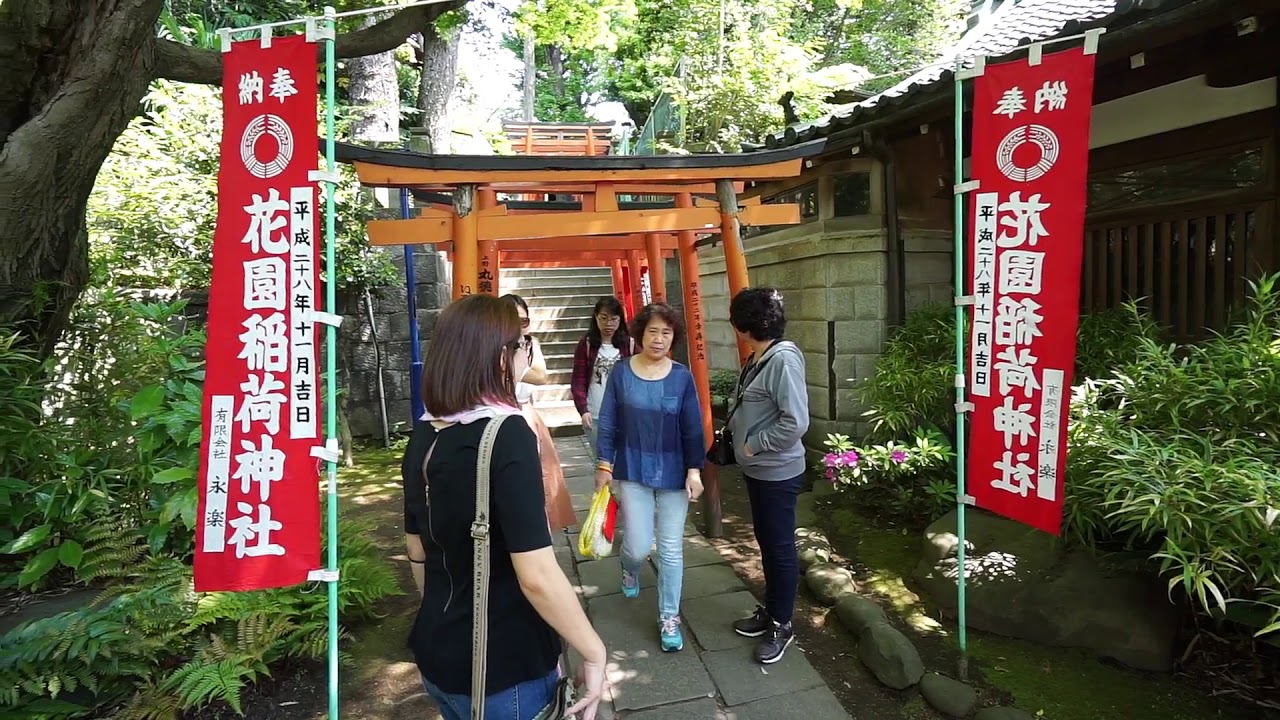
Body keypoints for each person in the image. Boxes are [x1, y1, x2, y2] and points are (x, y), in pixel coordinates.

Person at [401, 294, 606, 720]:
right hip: (505, 665)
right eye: (521, 345)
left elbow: (417, 549)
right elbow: (536, 575)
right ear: (500, 357)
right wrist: (593, 650)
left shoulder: (424, 432)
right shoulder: (506, 433)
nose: (525, 353)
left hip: (437, 652)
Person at [593, 302, 705, 653]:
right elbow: (609, 421)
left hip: (674, 472)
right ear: (640, 334)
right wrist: (603, 466)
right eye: (653, 331)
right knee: (639, 546)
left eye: (667, 333)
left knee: (671, 551)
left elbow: (692, 429)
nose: (659, 339)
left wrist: (695, 470)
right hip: (633, 469)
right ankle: (629, 568)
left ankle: (669, 617)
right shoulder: (622, 373)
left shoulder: (682, 376)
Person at [724, 287, 810, 665]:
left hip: (776, 470)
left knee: (779, 548)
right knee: (767, 543)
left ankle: (782, 624)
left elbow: (797, 422)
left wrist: (753, 444)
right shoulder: (760, 357)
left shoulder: (782, 361)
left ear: (744, 327)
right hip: (760, 471)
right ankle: (772, 611)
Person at [501, 293, 576, 532]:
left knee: (540, 478)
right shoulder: (490, 345)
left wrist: (511, 364)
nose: (520, 327)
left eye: (524, 321)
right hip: (498, 415)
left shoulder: (531, 344)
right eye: (513, 320)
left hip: (524, 412)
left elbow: (540, 375)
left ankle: (537, 527)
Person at [570, 296, 632, 457]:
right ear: (596, 318)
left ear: (620, 320)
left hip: (624, 413)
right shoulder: (587, 344)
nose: (608, 324)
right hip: (595, 412)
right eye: (603, 318)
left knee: (622, 460)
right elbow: (578, 380)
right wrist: (583, 410)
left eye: (613, 319)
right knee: (601, 462)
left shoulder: (629, 345)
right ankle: (605, 484)